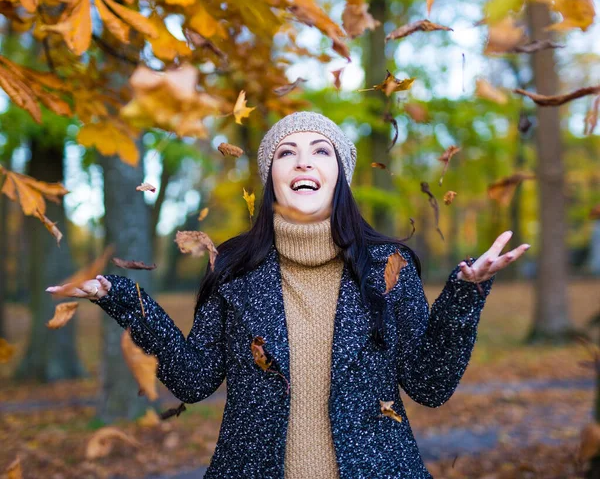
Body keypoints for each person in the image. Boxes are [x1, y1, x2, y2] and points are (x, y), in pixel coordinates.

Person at [47, 111, 530, 479]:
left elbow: (430, 386)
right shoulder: (233, 267)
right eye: (286, 152)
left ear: (339, 174)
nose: (303, 160)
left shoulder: (388, 267)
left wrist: (466, 292)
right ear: (272, 176)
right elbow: (193, 380)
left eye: (322, 151)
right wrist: (125, 300)